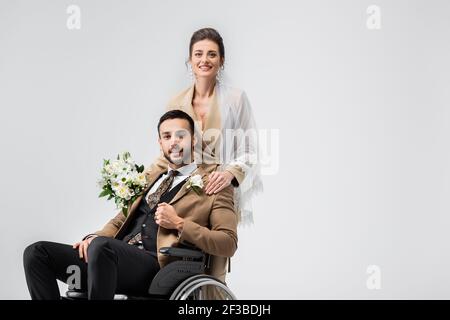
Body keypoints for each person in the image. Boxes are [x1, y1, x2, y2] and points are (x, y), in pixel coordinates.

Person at [23, 110, 238, 300]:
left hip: (159, 268)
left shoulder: (214, 183)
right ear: (160, 143)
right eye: (167, 136)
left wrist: (180, 223)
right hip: (109, 259)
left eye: (181, 135)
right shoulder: (152, 178)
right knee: (37, 253)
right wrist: (92, 238)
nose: (174, 141)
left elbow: (228, 242)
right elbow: (120, 220)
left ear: (193, 140)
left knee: (103, 247)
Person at [150, 27, 263, 226]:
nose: (205, 60)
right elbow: (169, 153)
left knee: (216, 249)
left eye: (212, 54)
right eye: (198, 54)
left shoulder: (236, 99)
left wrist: (229, 174)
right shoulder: (175, 103)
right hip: (184, 193)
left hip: (220, 190)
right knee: (176, 247)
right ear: (190, 61)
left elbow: (249, 149)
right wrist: (138, 182)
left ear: (222, 60)